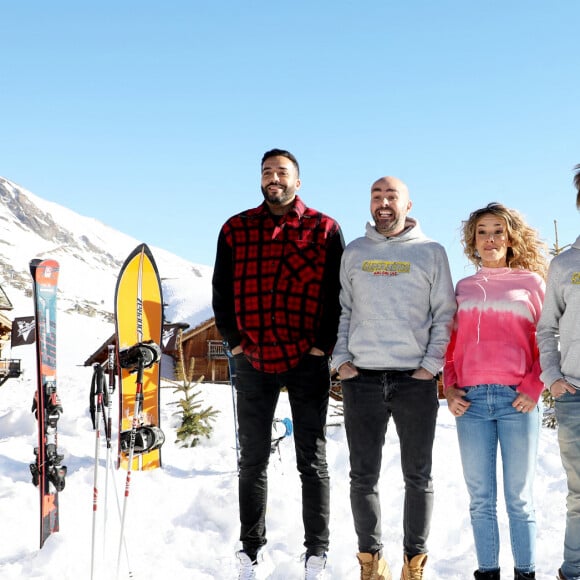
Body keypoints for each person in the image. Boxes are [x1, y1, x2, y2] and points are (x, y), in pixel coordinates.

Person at [212, 148, 345, 580]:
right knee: (251, 460)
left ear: (297, 181)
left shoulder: (324, 229)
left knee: (313, 461)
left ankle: (316, 553)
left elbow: (335, 294)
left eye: (282, 172)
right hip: (252, 358)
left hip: (307, 359)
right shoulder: (236, 228)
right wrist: (234, 344)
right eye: (267, 172)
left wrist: (322, 346)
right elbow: (221, 290)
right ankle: (250, 550)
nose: (274, 178)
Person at [332, 176, 456, 580]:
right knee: (362, 476)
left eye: (391, 196)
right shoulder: (354, 252)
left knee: (417, 476)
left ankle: (413, 563)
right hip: (362, 379)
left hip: (413, 381)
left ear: (408, 203)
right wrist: (342, 360)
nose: (383, 203)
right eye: (376, 196)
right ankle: (372, 562)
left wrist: (430, 366)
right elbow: (343, 310)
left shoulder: (431, 252)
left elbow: (444, 314)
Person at [443, 202, 548, 580]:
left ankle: (526, 573)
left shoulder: (531, 283)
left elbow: (544, 340)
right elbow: (451, 346)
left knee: (519, 500)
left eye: (498, 231)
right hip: (470, 403)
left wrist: (534, 387)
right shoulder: (464, 288)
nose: (490, 238)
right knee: (481, 501)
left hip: (516, 400)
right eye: (482, 231)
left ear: (510, 237)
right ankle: (487, 572)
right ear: (473, 240)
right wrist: (450, 387)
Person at [537, 164, 580, 580]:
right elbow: (546, 327)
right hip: (576, 396)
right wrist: (552, 377)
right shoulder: (565, 264)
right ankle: (573, 571)